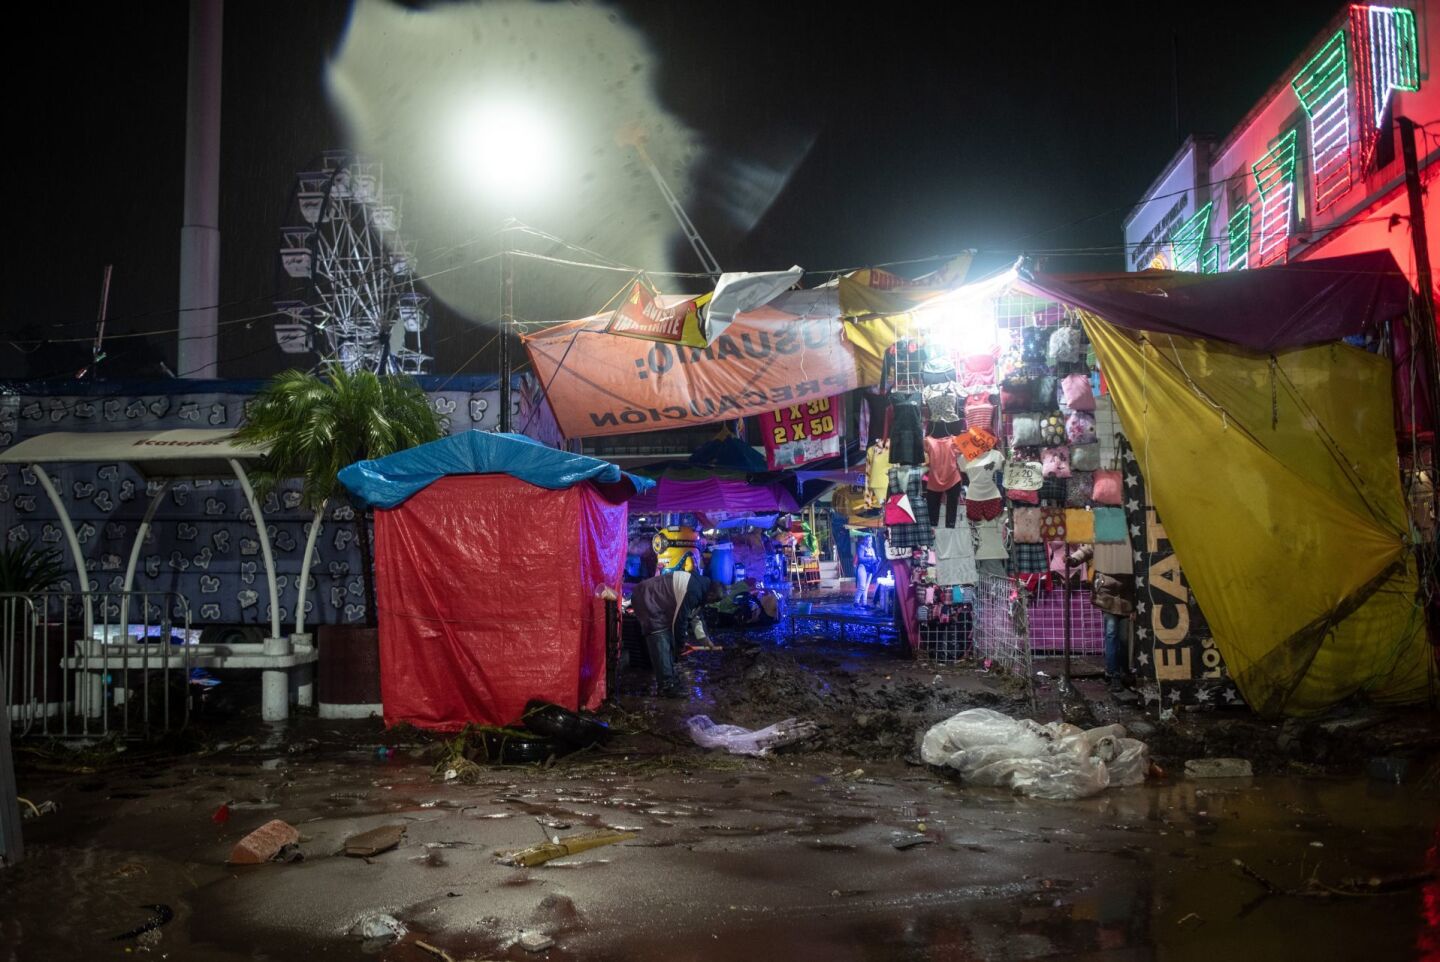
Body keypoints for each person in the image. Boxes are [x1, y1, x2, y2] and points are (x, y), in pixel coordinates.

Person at [629, 569, 721, 697]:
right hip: (647, 598)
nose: (711, 603)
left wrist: (704, 639)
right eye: (713, 601)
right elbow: (680, 621)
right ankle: (666, 686)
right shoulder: (693, 591)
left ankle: (669, 678)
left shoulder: (701, 589)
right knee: (660, 637)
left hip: (655, 602)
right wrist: (679, 645)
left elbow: (695, 615)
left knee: (666, 638)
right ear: (711, 595)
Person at [1067, 544, 1136, 691]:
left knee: (1124, 639)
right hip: (1108, 592)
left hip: (1126, 594)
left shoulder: (1130, 531)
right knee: (1111, 634)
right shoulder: (1107, 532)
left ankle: (1124, 671)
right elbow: (1090, 547)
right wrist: (1074, 559)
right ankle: (1113, 674)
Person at [853, 533, 880, 607]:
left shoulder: (872, 549)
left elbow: (874, 559)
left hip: (870, 569)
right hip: (862, 567)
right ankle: (856, 601)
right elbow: (861, 559)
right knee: (862, 586)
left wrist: (877, 560)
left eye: (870, 540)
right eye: (867, 540)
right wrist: (871, 558)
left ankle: (864, 603)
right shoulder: (861, 548)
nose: (869, 542)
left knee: (866, 587)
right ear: (864, 541)